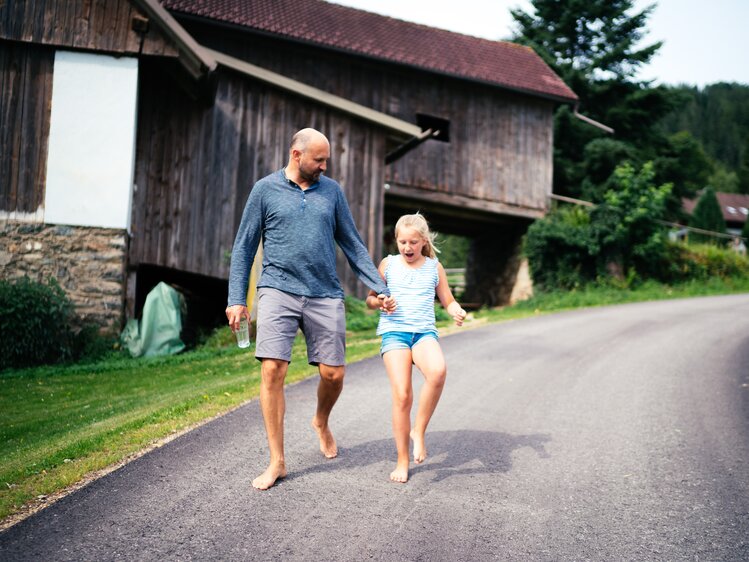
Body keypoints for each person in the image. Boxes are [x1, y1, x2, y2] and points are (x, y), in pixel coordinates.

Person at [226, 128, 396, 490]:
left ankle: (321, 420)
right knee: (273, 369)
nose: (323, 166)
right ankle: (277, 461)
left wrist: (380, 288)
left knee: (333, 374)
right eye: (318, 160)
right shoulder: (264, 190)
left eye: (326, 160)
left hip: (324, 292)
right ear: (296, 154)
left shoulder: (331, 192)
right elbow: (243, 247)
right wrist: (237, 300)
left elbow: (352, 242)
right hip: (277, 288)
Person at [365, 213, 467, 483]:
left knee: (438, 372)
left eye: (412, 242)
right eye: (402, 242)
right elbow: (370, 300)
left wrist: (457, 311)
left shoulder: (434, 268)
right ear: (396, 241)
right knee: (402, 395)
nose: (407, 248)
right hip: (394, 334)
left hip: (423, 334)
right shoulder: (388, 264)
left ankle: (418, 430)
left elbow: (448, 300)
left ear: (423, 241)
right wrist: (380, 303)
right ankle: (402, 460)